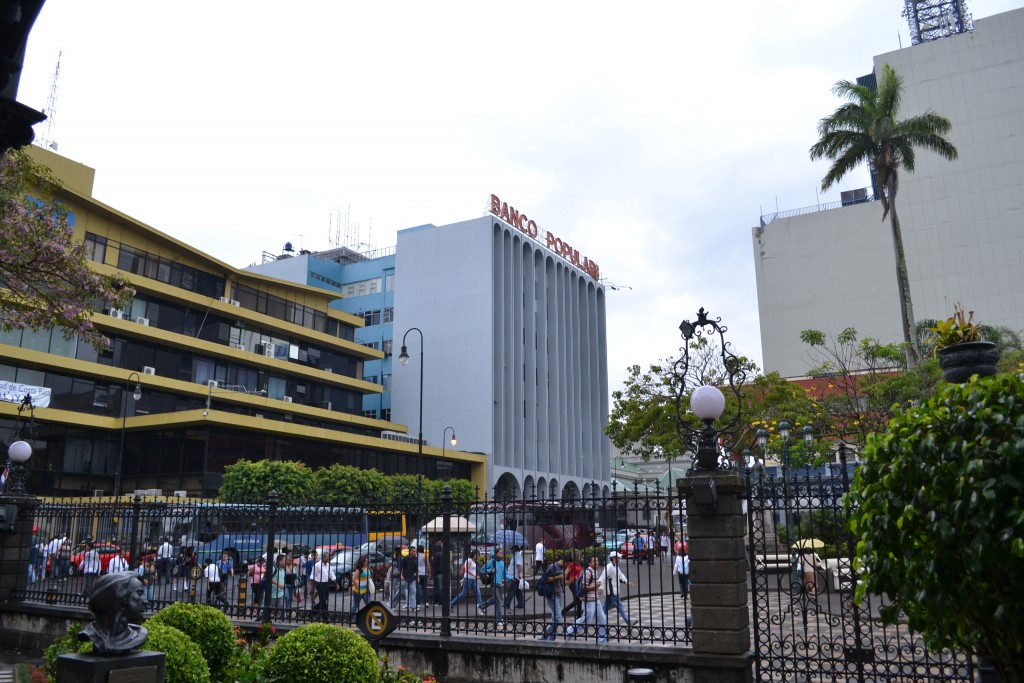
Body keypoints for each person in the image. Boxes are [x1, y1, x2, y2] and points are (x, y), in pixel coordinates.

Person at [78, 573, 149, 655]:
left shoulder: (138, 635)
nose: (145, 601)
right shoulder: (91, 633)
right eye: (139, 593)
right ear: (123, 597)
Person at [565, 555, 608, 644]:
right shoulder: (588, 572)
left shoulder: (595, 571)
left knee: (602, 618)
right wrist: (595, 586)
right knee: (586, 620)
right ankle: (569, 631)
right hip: (589, 601)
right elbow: (584, 587)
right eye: (594, 561)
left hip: (596, 600)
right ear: (589, 563)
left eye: (597, 560)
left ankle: (602, 640)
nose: (596, 562)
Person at [537, 554, 566, 641]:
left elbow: (561, 582)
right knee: (558, 618)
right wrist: (558, 577)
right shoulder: (553, 566)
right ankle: (544, 634)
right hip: (552, 594)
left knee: (555, 617)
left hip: (558, 593)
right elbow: (545, 579)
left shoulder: (561, 568)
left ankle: (551, 637)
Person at [450, 549, 484, 613]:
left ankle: (480, 607)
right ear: (473, 554)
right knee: (464, 593)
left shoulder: (474, 561)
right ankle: (451, 604)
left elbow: (474, 570)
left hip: (473, 579)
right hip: (468, 579)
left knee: (478, 592)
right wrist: (475, 575)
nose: (478, 557)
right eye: (477, 555)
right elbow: (467, 570)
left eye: (478, 555)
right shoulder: (469, 560)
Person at [602, 551, 631, 625]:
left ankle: (597, 618)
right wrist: (601, 587)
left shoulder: (616, 566)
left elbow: (620, 576)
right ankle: (628, 621)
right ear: (614, 558)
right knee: (620, 606)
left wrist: (626, 582)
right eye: (618, 557)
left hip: (612, 590)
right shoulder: (609, 567)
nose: (619, 559)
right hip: (612, 591)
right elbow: (602, 577)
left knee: (605, 607)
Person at [480, 547, 507, 624]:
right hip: (494, 584)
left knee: (495, 600)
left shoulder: (502, 563)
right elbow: (482, 569)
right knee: (498, 601)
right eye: (500, 553)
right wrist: (490, 571)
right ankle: (499, 619)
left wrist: (511, 578)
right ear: (496, 554)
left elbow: (505, 574)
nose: (501, 554)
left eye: (502, 553)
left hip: (499, 584)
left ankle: (481, 606)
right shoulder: (492, 561)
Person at [308, 550, 336, 622]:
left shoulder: (328, 565)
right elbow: (312, 576)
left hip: (326, 584)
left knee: (324, 600)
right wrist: (311, 587)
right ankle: (325, 617)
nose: (328, 559)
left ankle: (313, 612)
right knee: (323, 600)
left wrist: (336, 583)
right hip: (319, 584)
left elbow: (331, 574)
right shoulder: (317, 565)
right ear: (323, 558)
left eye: (329, 558)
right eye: (327, 558)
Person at [391, 546, 418, 611]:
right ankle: (392, 605)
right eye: (414, 551)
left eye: (415, 551)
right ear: (410, 551)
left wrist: (417, 576)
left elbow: (416, 569)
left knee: (413, 592)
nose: (415, 553)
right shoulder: (405, 559)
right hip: (405, 577)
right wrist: (401, 575)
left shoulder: (415, 559)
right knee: (400, 592)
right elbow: (400, 568)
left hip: (412, 578)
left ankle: (413, 607)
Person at [350, 555, 372, 623]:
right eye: (365, 561)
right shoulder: (359, 570)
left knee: (369, 605)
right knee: (355, 605)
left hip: (366, 590)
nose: (367, 562)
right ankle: (352, 618)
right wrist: (357, 587)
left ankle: (369, 618)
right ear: (362, 562)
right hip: (358, 591)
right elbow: (353, 579)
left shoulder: (368, 568)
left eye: (367, 561)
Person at [503, 545, 526, 610]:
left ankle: (506, 604)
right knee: (517, 591)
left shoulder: (518, 556)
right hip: (514, 576)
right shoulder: (516, 556)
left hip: (515, 576)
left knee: (511, 590)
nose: (511, 550)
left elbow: (519, 566)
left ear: (515, 549)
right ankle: (521, 604)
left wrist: (519, 574)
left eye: (512, 548)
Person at [429, 538, 445, 606]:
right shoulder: (443, 554)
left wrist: (432, 560)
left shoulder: (436, 554)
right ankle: (437, 601)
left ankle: (439, 602)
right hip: (442, 572)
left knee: (438, 587)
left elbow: (434, 564)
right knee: (439, 587)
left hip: (437, 572)